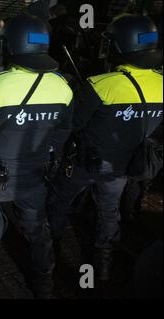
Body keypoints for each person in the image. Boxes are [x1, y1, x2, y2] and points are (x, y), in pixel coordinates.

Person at [47, 15, 163, 282]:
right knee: (109, 211)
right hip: (122, 168)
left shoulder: (101, 85)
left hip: (83, 164)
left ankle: (51, 247)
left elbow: (75, 123)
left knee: (59, 201)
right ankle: (105, 261)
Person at [0, 14, 74, 298]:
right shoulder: (63, 87)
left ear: (10, 45)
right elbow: (62, 133)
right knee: (38, 233)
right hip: (35, 177)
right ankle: (44, 286)